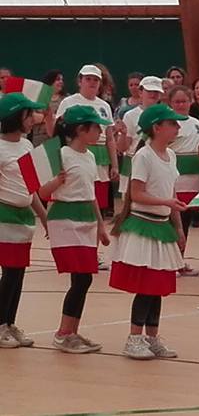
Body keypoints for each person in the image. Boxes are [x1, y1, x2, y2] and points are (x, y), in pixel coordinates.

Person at [109, 104, 188, 359]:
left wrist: (178, 226)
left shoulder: (171, 156)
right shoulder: (143, 156)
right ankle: (134, 338)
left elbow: (171, 192)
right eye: (172, 123)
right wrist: (166, 202)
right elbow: (137, 193)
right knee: (146, 285)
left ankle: (152, 338)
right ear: (157, 127)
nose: (177, 127)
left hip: (162, 226)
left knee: (159, 286)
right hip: (144, 225)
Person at [41, 105, 112, 353]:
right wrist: (56, 181)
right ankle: (63, 333)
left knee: (84, 279)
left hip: (86, 219)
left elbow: (91, 194)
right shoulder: (60, 154)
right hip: (65, 218)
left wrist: (101, 226)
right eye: (95, 127)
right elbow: (41, 192)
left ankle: (71, 331)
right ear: (81, 129)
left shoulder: (90, 156)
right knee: (81, 278)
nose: (100, 132)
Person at [0, 94, 48, 349]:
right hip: (4, 217)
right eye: (29, 115)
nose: (33, 119)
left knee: (18, 273)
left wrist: (45, 218)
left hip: (24, 219)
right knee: (9, 272)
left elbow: (31, 187)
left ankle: (10, 322)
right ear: (16, 117)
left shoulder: (28, 146)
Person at [55, 65, 119, 212]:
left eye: (96, 80)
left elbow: (110, 138)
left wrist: (114, 165)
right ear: (80, 81)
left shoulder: (104, 106)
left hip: (101, 156)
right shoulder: (68, 102)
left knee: (99, 200)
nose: (92, 82)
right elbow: (58, 132)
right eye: (88, 79)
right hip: (75, 152)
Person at [166, 86, 199, 277]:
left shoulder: (197, 123)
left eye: (184, 101)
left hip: (194, 179)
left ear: (191, 102)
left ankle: (179, 260)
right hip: (176, 179)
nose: (181, 105)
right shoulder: (167, 124)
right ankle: (169, 262)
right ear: (170, 103)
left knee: (186, 219)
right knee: (173, 219)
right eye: (177, 102)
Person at [117, 77, 164, 199]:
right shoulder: (130, 115)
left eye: (156, 92)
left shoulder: (166, 114)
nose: (153, 94)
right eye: (149, 91)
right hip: (133, 165)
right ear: (140, 92)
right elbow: (122, 148)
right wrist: (123, 134)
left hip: (158, 165)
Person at [33, 69, 66, 146]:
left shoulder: (66, 99)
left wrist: (47, 118)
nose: (61, 82)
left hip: (57, 139)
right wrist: (50, 118)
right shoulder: (38, 98)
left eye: (62, 80)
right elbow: (32, 117)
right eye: (58, 79)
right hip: (38, 140)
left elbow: (65, 118)